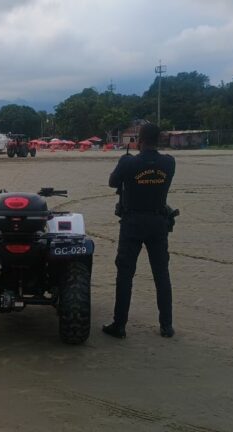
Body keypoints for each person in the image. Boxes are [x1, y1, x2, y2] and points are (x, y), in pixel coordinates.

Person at [103, 123, 176, 339]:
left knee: (125, 274)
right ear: (159, 140)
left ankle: (120, 324)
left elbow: (112, 182)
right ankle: (166, 325)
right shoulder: (169, 163)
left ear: (139, 140)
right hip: (158, 221)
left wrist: (126, 164)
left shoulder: (129, 162)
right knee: (161, 273)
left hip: (133, 222)